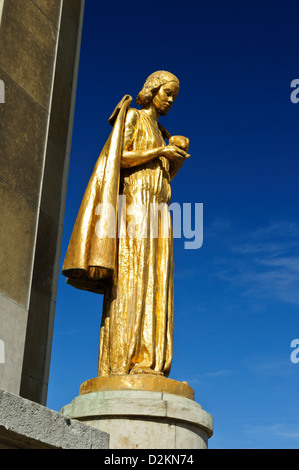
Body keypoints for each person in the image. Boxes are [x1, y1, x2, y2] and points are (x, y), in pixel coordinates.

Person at [62, 71, 190, 378]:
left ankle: (148, 361)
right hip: (133, 208)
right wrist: (160, 151)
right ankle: (123, 361)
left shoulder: (163, 132)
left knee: (154, 282)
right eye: (167, 92)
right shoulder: (134, 117)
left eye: (174, 95)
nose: (170, 100)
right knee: (132, 277)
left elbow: (160, 176)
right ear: (152, 90)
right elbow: (118, 158)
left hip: (159, 211)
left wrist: (174, 160)